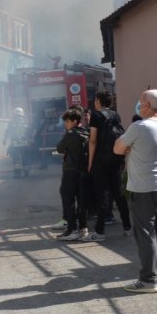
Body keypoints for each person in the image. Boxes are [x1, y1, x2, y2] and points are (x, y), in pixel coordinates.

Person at [114, 89, 157, 293]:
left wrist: (129, 148)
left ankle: (148, 280)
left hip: (144, 187)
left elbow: (117, 148)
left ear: (147, 106)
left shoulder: (139, 126)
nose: (138, 104)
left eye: (141, 101)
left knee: (145, 232)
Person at [86, 91, 131, 241]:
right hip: (115, 158)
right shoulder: (115, 115)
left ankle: (99, 232)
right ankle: (127, 227)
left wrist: (90, 162)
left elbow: (92, 141)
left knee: (102, 194)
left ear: (98, 101)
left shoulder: (96, 115)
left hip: (101, 159)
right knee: (118, 192)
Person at [55, 108, 91, 241]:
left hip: (70, 171)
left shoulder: (70, 134)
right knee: (81, 200)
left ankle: (72, 229)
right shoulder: (86, 132)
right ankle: (83, 228)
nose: (65, 124)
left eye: (67, 121)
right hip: (83, 170)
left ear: (74, 121)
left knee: (68, 199)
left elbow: (59, 148)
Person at [5, 107, 31, 178]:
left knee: (16, 159)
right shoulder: (26, 122)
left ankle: (18, 173)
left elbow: (8, 132)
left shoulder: (12, 123)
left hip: (15, 145)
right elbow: (29, 132)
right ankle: (26, 171)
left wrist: (5, 139)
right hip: (24, 144)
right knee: (25, 158)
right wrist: (31, 139)